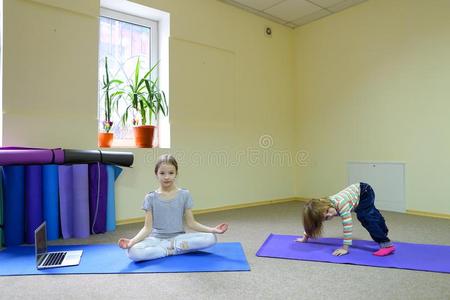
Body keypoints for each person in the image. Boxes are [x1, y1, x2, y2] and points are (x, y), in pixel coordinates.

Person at [118, 154, 228, 261]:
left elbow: (191, 223)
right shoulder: (150, 197)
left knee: (211, 238)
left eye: (171, 173)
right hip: (156, 239)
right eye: (162, 173)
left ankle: (171, 248)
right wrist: (132, 241)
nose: (167, 177)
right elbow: (147, 228)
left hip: (178, 238)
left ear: (176, 174)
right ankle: (170, 250)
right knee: (132, 252)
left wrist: (213, 229)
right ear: (156, 174)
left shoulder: (185, 194)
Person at [297, 182, 395, 257]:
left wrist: (345, 248)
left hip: (364, 192)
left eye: (328, 210)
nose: (330, 214)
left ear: (326, 204)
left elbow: (347, 227)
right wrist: (305, 237)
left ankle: (386, 245)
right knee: (371, 214)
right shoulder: (325, 206)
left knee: (365, 217)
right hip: (357, 195)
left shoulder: (341, 205)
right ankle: (382, 228)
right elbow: (313, 223)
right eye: (326, 218)